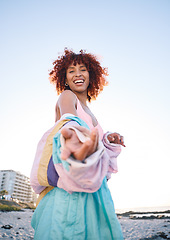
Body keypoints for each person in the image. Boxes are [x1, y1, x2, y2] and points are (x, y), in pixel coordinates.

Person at [30, 49, 125, 240]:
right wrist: (78, 133)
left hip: (95, 192)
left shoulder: (90, 111)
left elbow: (96, 151)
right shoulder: (67, 96)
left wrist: (108, 139)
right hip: (70, 191)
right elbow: (69, 123)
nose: (78, 74)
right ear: (65, 78)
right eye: (71, 71)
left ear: (92, 75)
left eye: (83, 69)